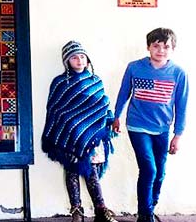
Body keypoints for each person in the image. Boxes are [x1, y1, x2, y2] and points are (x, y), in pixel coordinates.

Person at [113, 28, 188, 222]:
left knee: (160, 172)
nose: (161, 50)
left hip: (162, 129)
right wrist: (116, 116)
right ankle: (145, 215)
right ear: (148, 47)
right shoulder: (134, 67)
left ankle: (150, 205)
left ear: (173, 49)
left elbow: (181, 105)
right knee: (149, 169)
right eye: (156, 45)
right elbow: (124, 93)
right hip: (137, 126)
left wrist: (178, 135)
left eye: (166, 46)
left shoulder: (179, 73)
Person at [42, 41, 118, 222]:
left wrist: (110, 120)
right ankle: (77, 210)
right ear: (67, 61)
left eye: (82, 56)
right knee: (71, 171)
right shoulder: (60, 83)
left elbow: (103, 105)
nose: (79, 60)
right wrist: (72, 127)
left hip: (92, 136)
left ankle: (101, 209)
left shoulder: (95, 80)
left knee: (91, 171)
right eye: (74, 57)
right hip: (70, 137)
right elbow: (56, 110)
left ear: (87, 59)